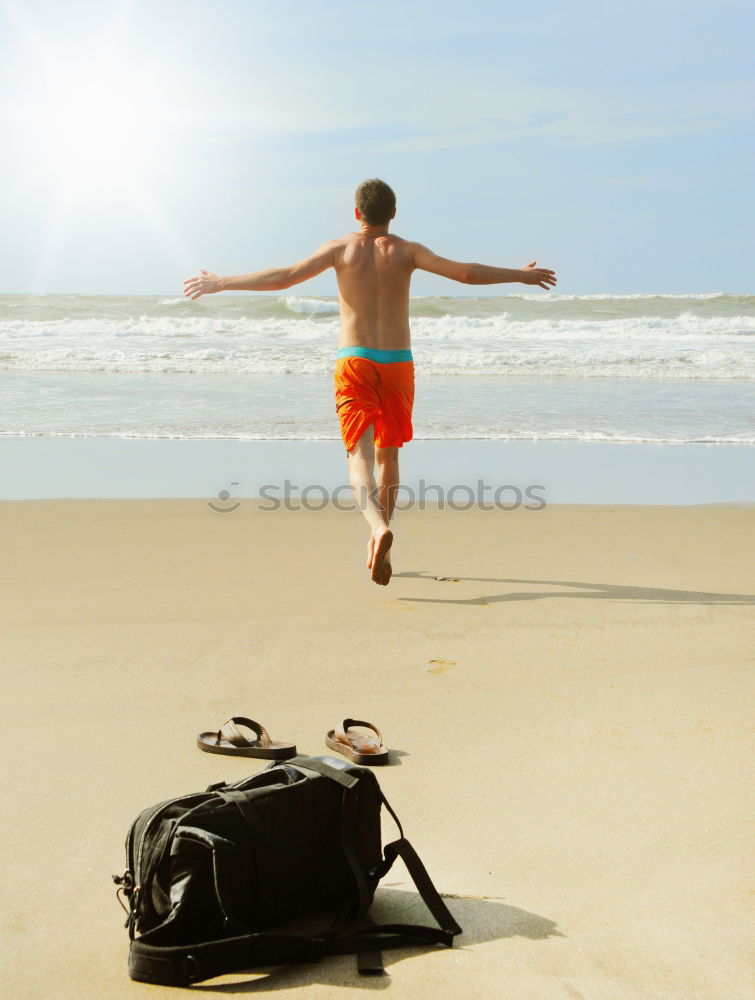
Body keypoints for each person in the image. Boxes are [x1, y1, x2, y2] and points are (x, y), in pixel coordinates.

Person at [183, 178, 557, 586]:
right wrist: (520, 277)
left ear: (357, 213)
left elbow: (285, 278)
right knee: (388, 457)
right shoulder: (408, 251)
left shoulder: (340, 248)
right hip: (397, 362)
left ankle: (376, 529)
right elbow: (465, 273)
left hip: (355, 360)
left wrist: (221, 282)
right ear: (393, 214)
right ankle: (385, 541)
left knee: (357, 456)